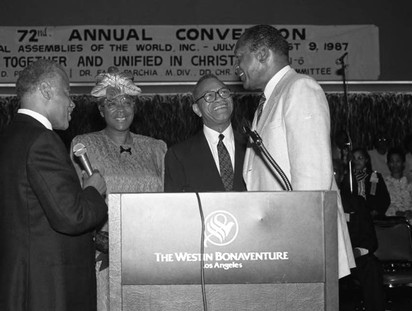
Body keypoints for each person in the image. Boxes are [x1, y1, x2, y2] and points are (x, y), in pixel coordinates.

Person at [233, 24, 355, 278]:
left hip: (301, 241)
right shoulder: (268, 101)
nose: (236, 67)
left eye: (240, 56)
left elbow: (313, 178)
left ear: (263, 54)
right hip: (279, 240)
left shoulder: (300, 88)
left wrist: (301, 246)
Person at [0, 59, 108, 311]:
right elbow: (72, 216)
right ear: (45, 90)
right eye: (67, 93)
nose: (72, 103)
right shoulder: (43, 140)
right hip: (48, 290)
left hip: (23, 285)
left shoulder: (9, 137)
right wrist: (93, 190)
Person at [70, 66, 166, 311]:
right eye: (112, 103)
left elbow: (168, 203)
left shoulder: (157, 148)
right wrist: (97, 238)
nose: (121, 109)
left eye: (126, 102)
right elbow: (73, 202)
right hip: (102, 255)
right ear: (101, 110)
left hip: (150, 254)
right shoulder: (83, 146)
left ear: (135, 106)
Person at [165, 73, 247, 192]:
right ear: (197, 110)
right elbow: (175, 207)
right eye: (209, 96)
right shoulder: (179, 155)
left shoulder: (254, 148)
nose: (219, 98)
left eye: (224, 92)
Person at [334, 159, 386, 311]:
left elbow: (370, 240)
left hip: (353, 257)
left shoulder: (357, 203)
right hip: (325, 259)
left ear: (343, 175)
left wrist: (353, 252)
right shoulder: (314, 202)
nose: (331, 175)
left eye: (335, 171)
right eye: (329, 171)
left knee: (371, 266)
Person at [339, 148, 390, 218]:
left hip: (372, 216)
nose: (357, 161)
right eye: (354, 158)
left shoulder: (374, 176)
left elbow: (384, 198)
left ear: (366, 160)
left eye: (360, 158)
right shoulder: (348, 178)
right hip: (353, 216)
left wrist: (377, 210)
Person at [383, 148, 412, 218]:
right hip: (393, 221)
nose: (395, 164)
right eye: (392, 161)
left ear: (403, 163)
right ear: (388, 164)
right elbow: (383, 206)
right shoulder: (384, 183)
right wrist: (398, 213)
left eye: (398, 161)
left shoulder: (409, 182)